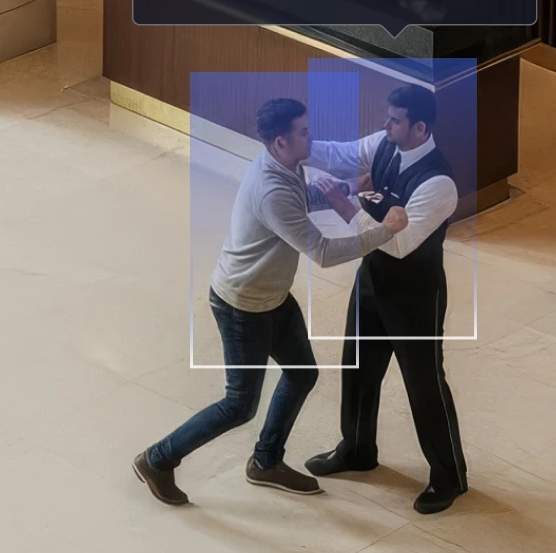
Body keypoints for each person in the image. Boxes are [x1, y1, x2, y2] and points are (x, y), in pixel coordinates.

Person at [134, 97, 406, 507]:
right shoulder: (271, 189)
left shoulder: (285, 166)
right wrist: (383, 232)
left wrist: (349, 188)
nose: (310, 136)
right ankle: (157, 459)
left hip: (272, 297)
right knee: (238, 405)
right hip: (243, 305)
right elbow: (325, 252)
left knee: (301, 374)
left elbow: (302, 200)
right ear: (281, 142)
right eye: (303, 131)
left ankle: (265, 462)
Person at [304, 82, 469, 513]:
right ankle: (357, 449)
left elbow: (399, 244)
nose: (384, 125)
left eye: (393, 120)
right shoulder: (385, 145)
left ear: (419, 127)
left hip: (415, 298)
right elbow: (341, 154)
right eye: (387, 117)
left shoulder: (439, 184)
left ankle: (449, 477)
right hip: (372, 280)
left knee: (424, 385)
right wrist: (300, 145)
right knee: (357, 368)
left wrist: (345, 207)